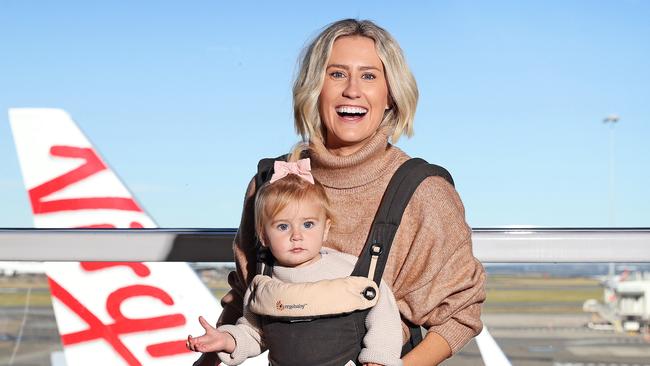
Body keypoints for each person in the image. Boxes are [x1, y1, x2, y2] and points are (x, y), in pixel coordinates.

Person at [200, 18, 486, 366]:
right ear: (314, 88)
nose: (352, 89)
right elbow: (248, 295)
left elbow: (460, 313)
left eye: (369, 76)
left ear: (390, 95)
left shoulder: (424, 192)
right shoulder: (271, 182)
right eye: (336, 74)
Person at [187, 157, 403, 366]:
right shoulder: (263, 284)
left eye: (308, 224)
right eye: (283, 226)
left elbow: (383, 312)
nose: (296, 235)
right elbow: (254, 334)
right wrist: (226, 340)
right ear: (263, 235)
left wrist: (379, 357)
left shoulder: (349, 271)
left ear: (326, 229)